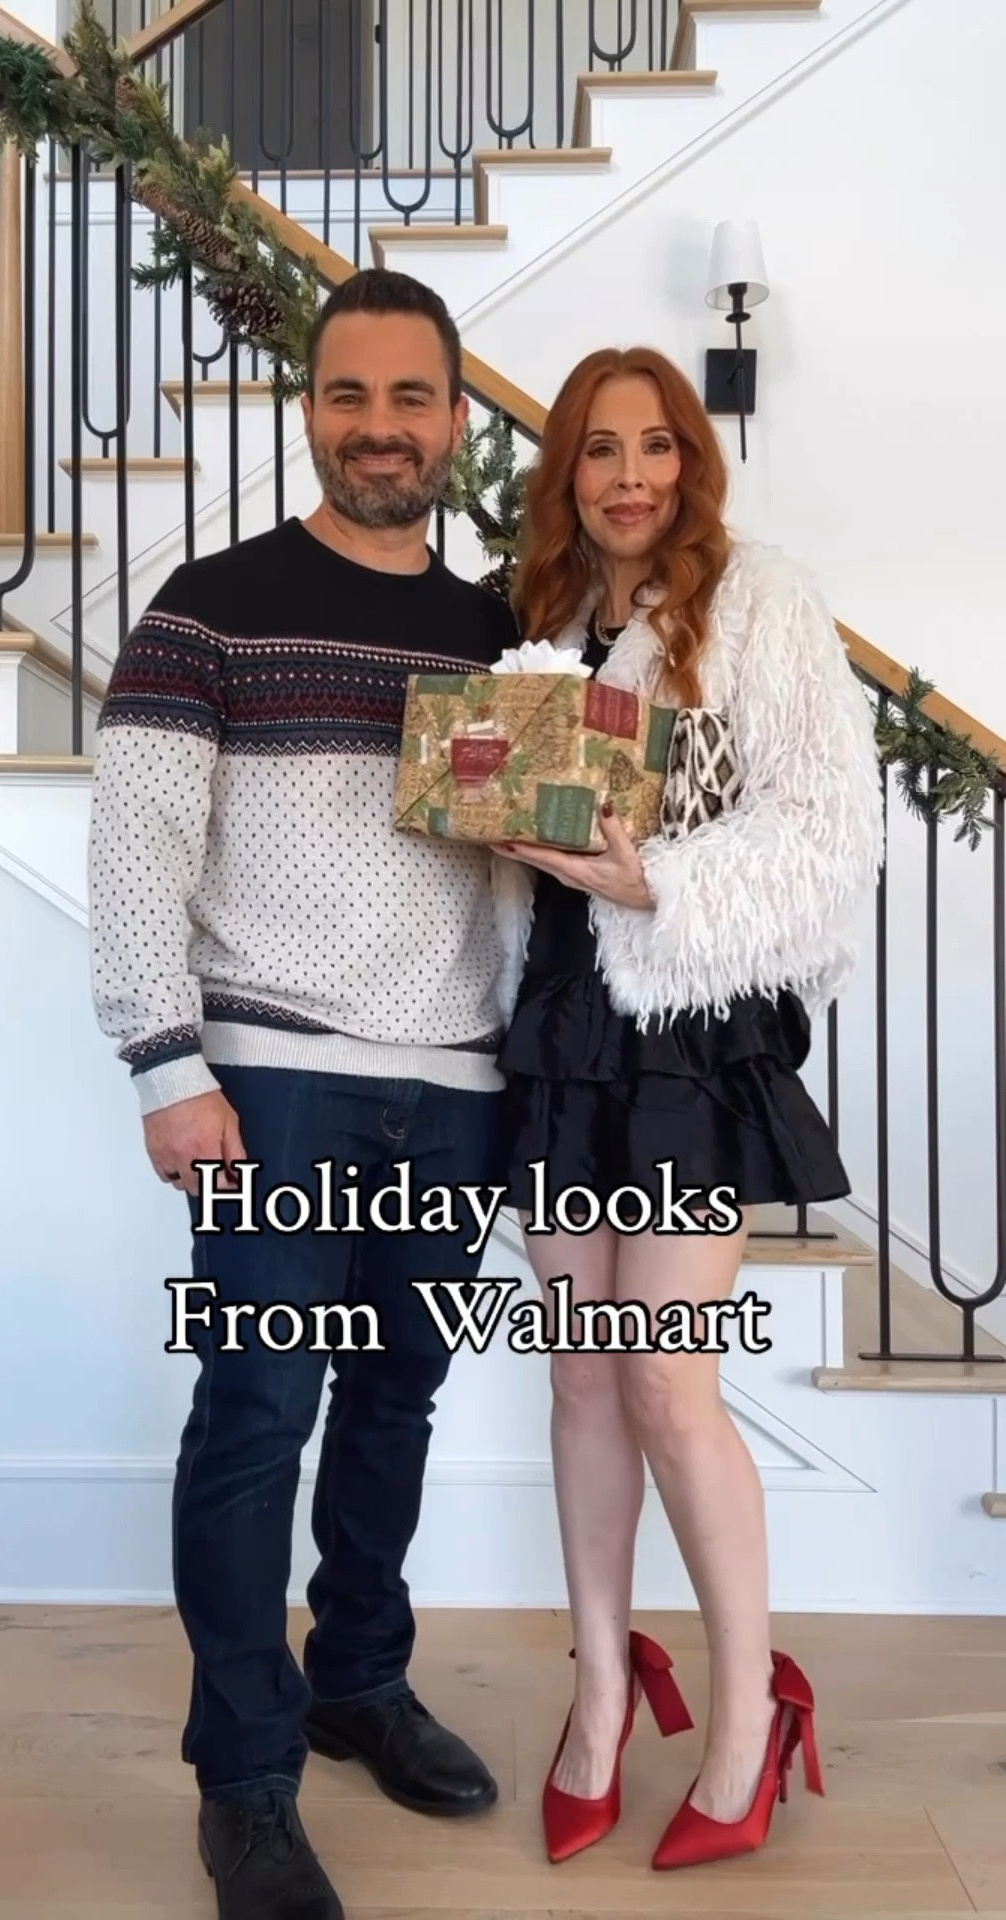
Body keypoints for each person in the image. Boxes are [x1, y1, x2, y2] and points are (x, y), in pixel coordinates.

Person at [87, 269, 519, 1920]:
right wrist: (165, 1064)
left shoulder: (500, 640)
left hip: (456, 1091)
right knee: (258, 1413)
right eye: (350, 395)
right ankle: (247, 1779)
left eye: (411, 398)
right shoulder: (211, 609)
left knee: (398, 1402)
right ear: (311, 410)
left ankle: (359, 1680)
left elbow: (524, 872)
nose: (380, 427)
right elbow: (136, 851)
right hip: (269, 1086)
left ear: (456, 422)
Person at [488, 346, 882, 1872]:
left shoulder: (763, 599)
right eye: (600, 450)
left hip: (682, 1025)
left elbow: (827, 829)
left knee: (667, 1382)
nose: (631, 476)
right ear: (567, 474)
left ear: (691, 464)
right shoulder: (534, 615)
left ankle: (745, 1716)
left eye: (655, 446)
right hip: (559, 1018)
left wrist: (653, 877)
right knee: (583, 1382)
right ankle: (600, 1691)